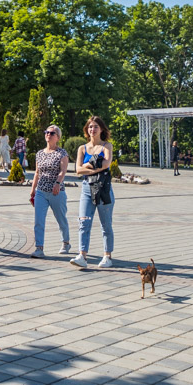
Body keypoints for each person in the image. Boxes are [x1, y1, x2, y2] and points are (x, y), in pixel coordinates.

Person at [71, 115, 115, 269]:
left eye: (96, 126)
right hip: (86, 188)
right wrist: (94, 166)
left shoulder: (106, 146)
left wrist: (87, 166)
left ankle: (107, 256)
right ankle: (82, 255)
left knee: (106, 224)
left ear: (101, 129)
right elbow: (78, 170)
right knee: (84, 221)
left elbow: (106, 164)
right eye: (90, 126)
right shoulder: (82, 148)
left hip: (103, 188)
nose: (93, 129)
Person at [29, 124, 71, 258]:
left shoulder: (62, 153)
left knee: (61, 218)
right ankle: (39, 248)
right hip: (41, 191)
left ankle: (66, 242)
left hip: (56, 192)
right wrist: (33, 189)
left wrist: (57, 183)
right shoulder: (39, 153)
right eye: (46, 132)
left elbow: (63, 170)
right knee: (39, 220)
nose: (48, 134)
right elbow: (37, 172)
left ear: (57, 137)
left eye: (52, 133)